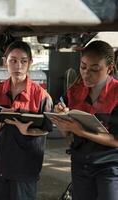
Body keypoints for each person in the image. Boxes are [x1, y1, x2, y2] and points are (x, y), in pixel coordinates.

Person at [0, 40, 53, 200]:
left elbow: (46, 129)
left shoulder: (41, 95)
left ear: (30, 63)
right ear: (5, 62)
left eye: (23, 61)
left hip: (25, 163)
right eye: (13, 60)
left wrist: (27, 130)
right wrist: (5, 118)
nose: (18, 66)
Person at [50, 40, 118, 200]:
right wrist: (61, 116)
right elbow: (66, 132)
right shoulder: (74, 91)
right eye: (83, 67)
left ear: (109, 68)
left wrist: (81, 131)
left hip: (110, 165)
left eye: (95, 69)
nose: (87, 73)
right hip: (80, 162)